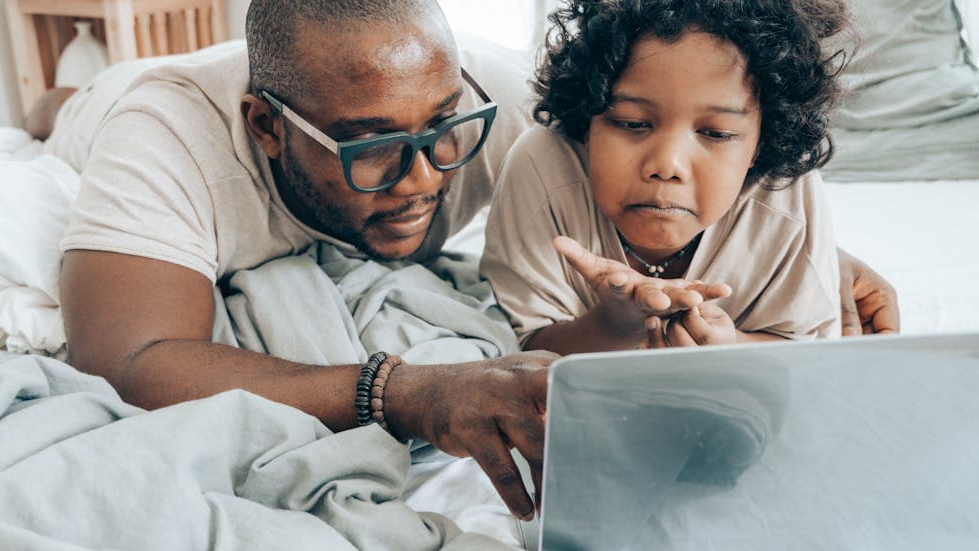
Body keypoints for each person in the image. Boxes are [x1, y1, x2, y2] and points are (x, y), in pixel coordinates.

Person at [56, 0, 898, 520]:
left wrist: (817, 251)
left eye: (442, 130)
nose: (425, 178)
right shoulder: (166, 145)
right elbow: (126, 358)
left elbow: (666, 160)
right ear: (269, 128)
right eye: (373, 147)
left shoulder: (501, 108)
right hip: (106, 112)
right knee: (67, 110)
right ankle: (53, 99)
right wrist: (402, 390)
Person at [482, 0, 859, 353]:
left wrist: (730, 347)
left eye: (716, 134)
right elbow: (525, 347)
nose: (667, 165)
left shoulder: (786, 191)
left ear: (762, 144)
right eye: (632, 123)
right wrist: (615, 326)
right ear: (586, 123)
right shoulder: (542, 165)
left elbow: (806, 350)